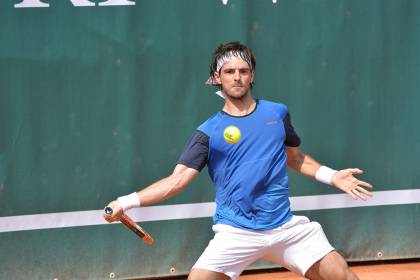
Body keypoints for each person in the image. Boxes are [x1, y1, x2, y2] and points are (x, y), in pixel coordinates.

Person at [104, 41, 373, 280]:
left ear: (252, 75)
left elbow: (296, 156)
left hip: (286, 227)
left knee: (343, 277)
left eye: (243, 71)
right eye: (229, 72)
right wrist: (124, 202)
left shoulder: (277, 113)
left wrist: (331, 175)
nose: (237, 77)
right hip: (235, 232)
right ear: (216, 78)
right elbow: (176, 182)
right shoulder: (207, 133)